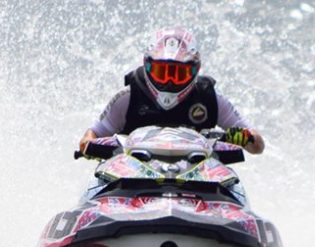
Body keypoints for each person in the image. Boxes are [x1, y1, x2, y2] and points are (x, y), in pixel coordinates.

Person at [79, 27, 265, 155]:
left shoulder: (210, 99)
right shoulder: (128, 97)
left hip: (198, 182)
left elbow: (258, 146)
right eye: (162, 72)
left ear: (195, 70)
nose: (169, 82)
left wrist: (244, 138)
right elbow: (92, 135)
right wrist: (89, 147)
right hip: (130, 180)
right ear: (147, 66)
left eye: (179, 74)